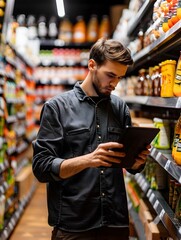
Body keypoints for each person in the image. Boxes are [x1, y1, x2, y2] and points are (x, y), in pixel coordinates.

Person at [32, 38, 150, 240]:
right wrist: (89, 159)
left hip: (115, 221)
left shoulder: (120, 108)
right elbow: (41, 167)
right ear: (92, 65)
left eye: (120, 78)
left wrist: (136, 162)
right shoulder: (57, 108)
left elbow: (127, 163)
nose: (114, 84)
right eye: (110, 75)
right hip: (74, 225)